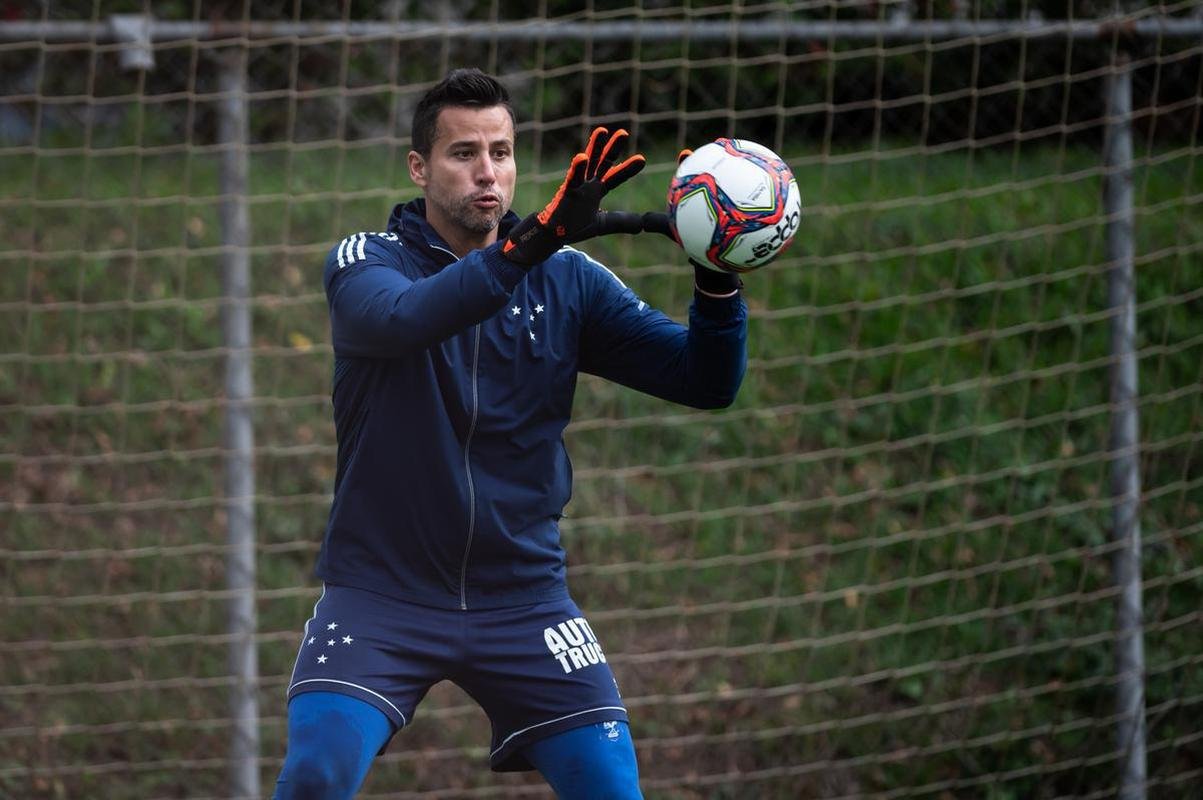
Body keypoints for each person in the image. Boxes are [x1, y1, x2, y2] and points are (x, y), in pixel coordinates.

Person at [273, 68, 748, 799]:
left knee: (613, 787)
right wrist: (528, 247)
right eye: (463, 153)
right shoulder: (366, 262)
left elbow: (704, 380)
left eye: (500, 151)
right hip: (381, 595)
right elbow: (404, 318)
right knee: (316, 772)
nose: (486, 171)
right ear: (419, 167)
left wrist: (717, 277)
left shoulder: (567, 280)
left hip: (524, 599)